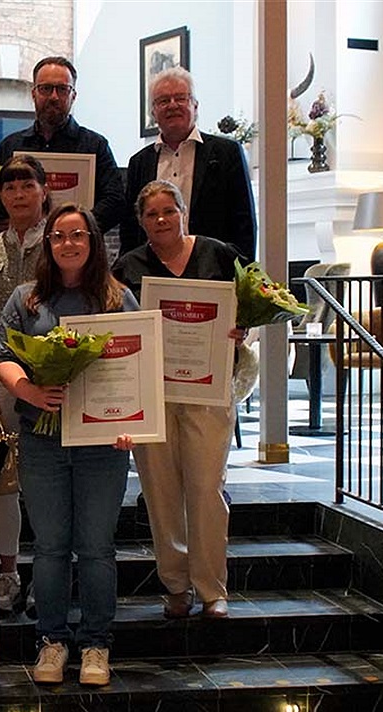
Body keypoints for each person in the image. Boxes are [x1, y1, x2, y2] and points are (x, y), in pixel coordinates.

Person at [0, 204, 136, 687]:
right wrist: (30, 391)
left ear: (93, 241)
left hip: (102, 445)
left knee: (96, 548)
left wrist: (131, 420)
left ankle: (96, 643)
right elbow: (3, 356)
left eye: (78, 235)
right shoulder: (27, 299)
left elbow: (137, 365)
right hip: (42, 441)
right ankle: (51, 641)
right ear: (48, 244)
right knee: (51, 547)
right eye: (59, 236)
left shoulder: (117, 298)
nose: (68, 244)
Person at [112, 179, 244, 621]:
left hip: (208, 391)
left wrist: (241, 327)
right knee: (161, 492)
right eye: (151, 214)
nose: (161, 220)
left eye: (169, 211)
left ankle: (212, 588)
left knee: (206, 489)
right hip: (154, 393)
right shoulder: (128, 267)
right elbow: (115, 325)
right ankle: (175, 586)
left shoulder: (219, 255)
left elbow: (253, 302)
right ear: (141, 221)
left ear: (184, 213)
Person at [0, 154, 50, 613]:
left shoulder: (60, 244)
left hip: (49, 380)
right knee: (1, 480)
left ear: (44, 191)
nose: (18, 195)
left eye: (27, 186)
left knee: (44, 482)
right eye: (10, 187)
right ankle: (7, 572)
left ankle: (47, 573)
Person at [120, 67, 257, 262]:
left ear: (195, 106)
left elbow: (244, 222)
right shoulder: (139, 162)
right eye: (163, 101)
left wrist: (241, 268)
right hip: (154, 270)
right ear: (153, 112)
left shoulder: (227, 153)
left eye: (180, 98)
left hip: (212, 269)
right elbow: (130, 228)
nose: (172, 105)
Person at [0, 57, 126, 235]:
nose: (54, 97)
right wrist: (1, 221)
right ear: (33, 94)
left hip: (77, 248)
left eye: (62, 89)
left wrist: (79, 228)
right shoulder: (10, 146)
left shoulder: (95, 146)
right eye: (46, 88)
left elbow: (115, 201)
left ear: (73, 96)